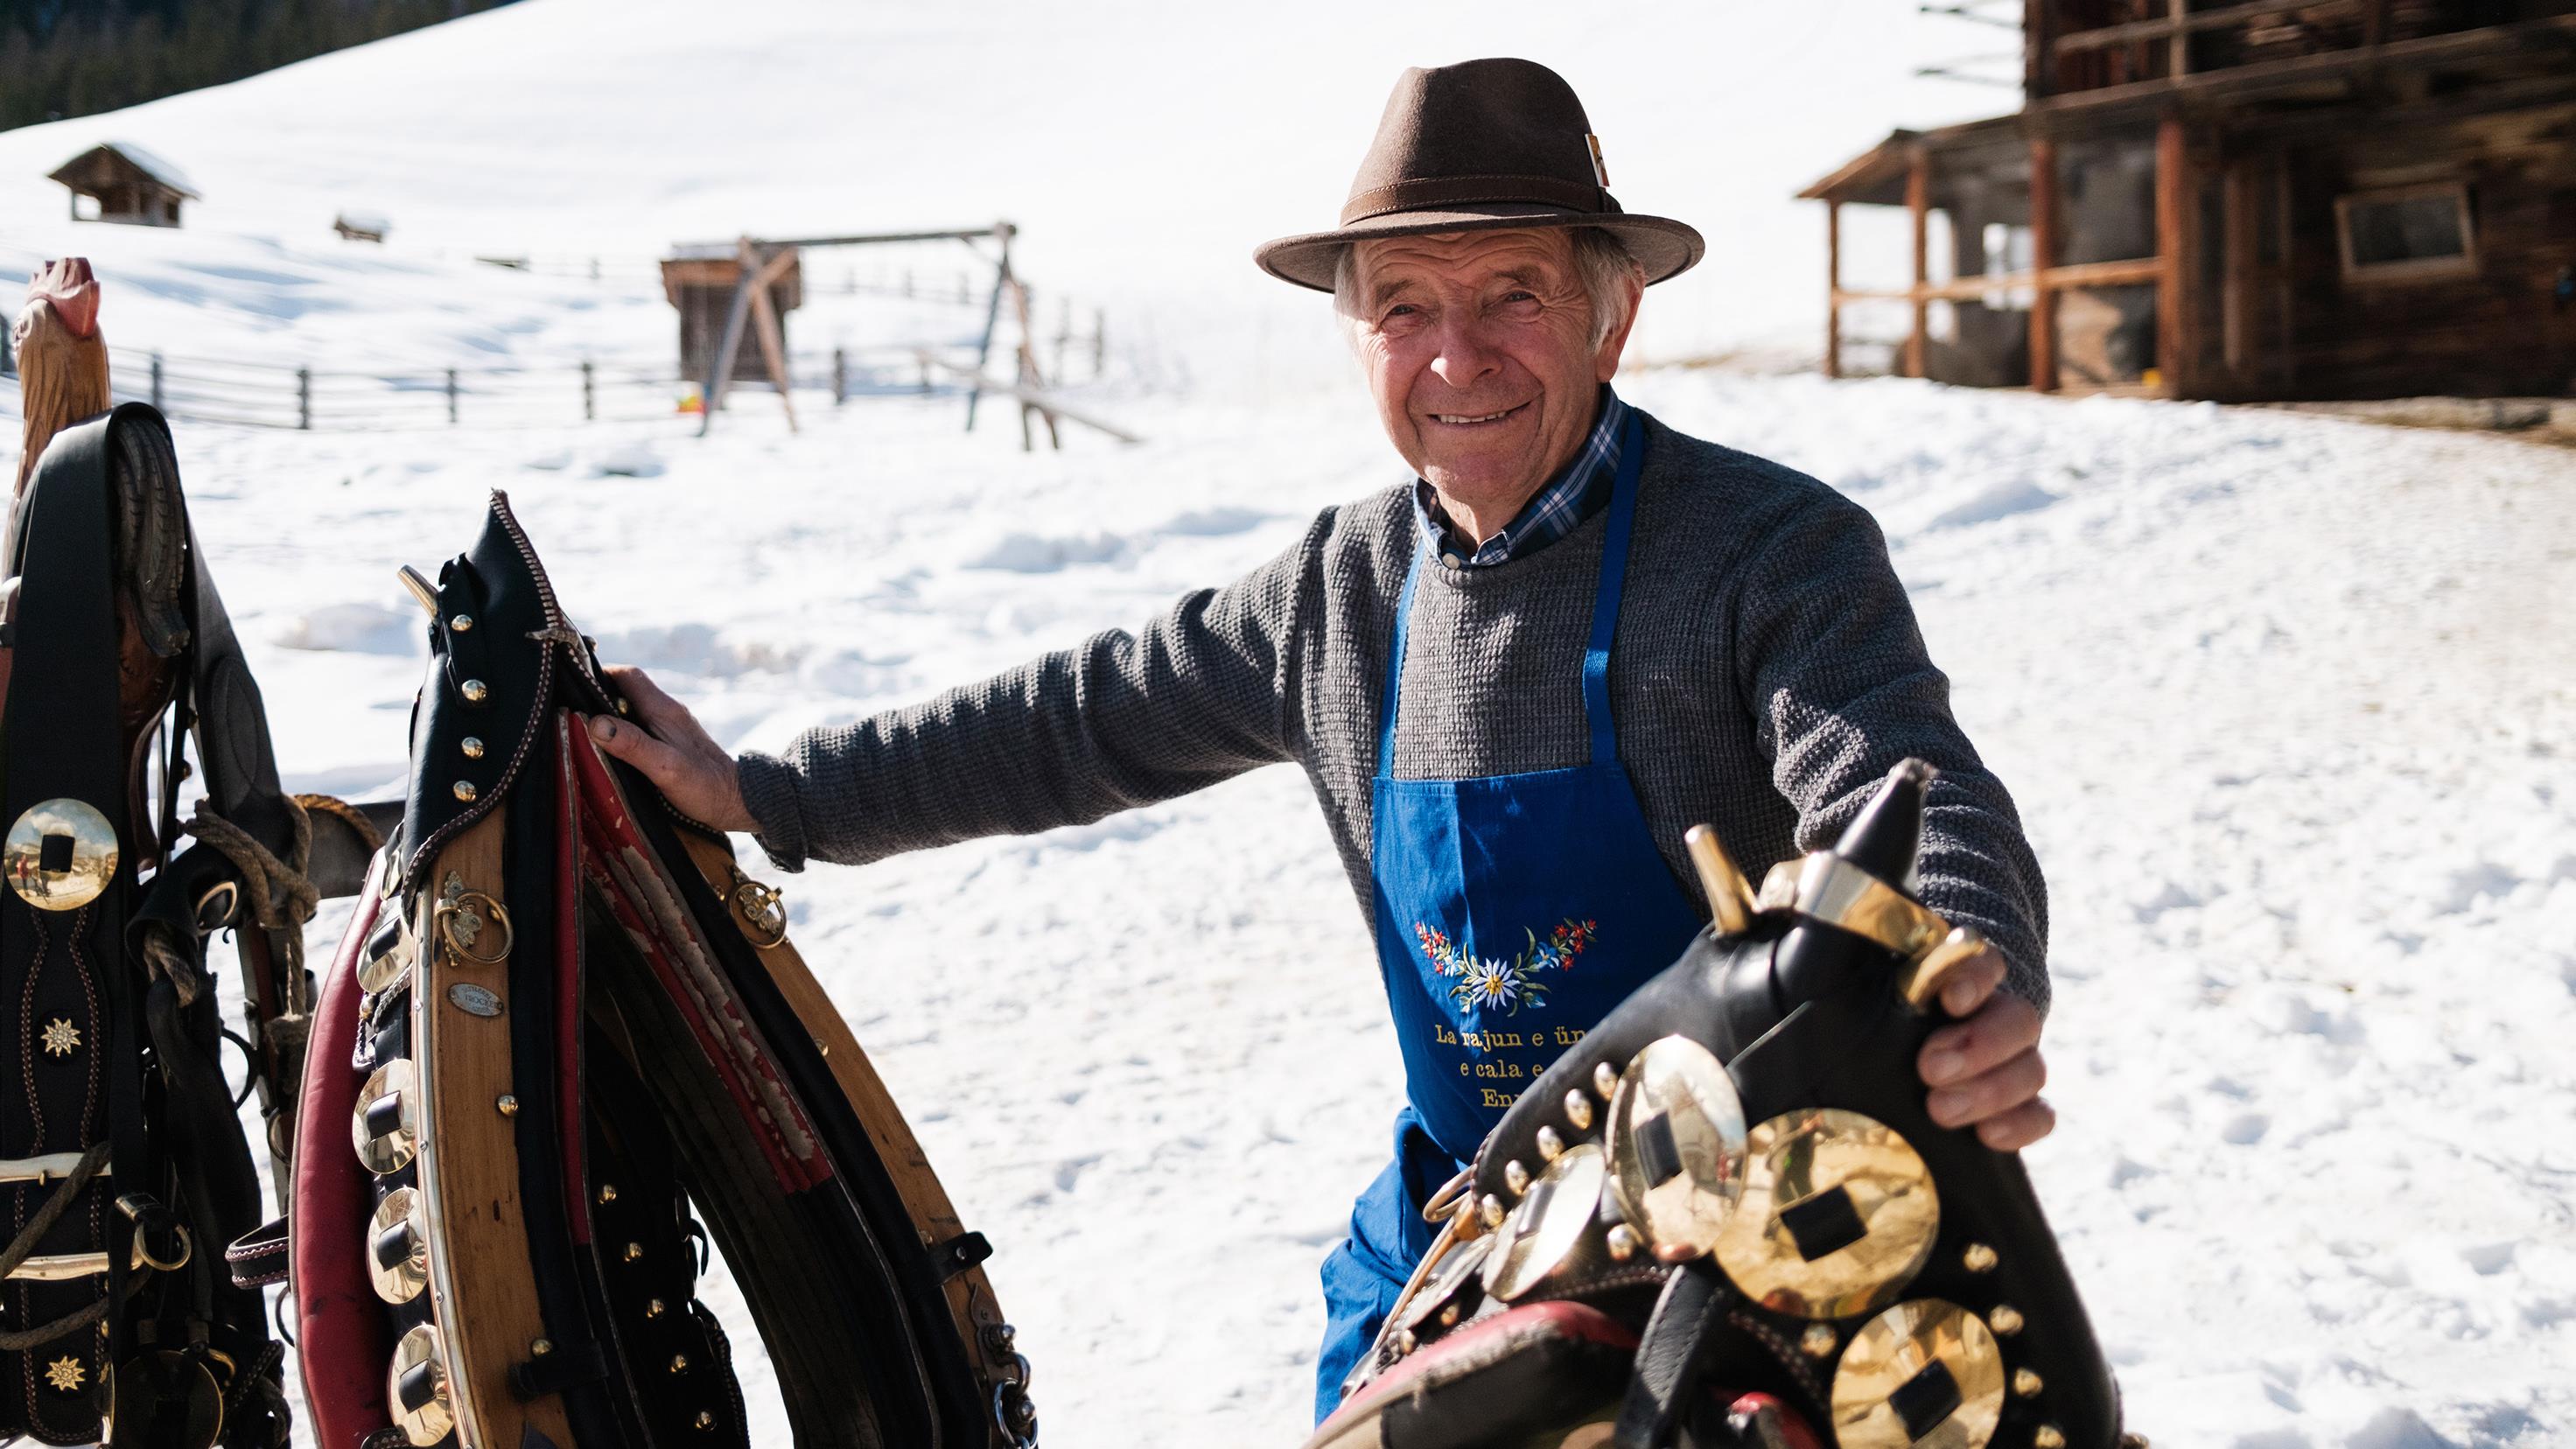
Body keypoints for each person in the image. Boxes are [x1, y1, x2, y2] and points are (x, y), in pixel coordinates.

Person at [592, 57, 2056, 1424]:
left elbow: (1907, 787)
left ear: (1615, 313)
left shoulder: (1767, 551)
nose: (1456, 356)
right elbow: (1075, 719)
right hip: (1463, 1238)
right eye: (1405, 305)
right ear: (1356, 333)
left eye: (1513, 296)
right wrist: (761, 789)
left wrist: (1969, 964)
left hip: (1740, 1237)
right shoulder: (1336, 598)